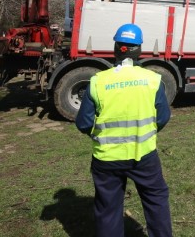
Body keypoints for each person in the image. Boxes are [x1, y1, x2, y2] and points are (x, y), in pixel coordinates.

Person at [76, 23, 173, 237]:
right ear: (139, 50)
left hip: (107, 159)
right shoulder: (153, 80)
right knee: (156, 200)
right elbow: (163, 118)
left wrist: (99, 135)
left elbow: (83, 123)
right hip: (144, 156)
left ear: (116, 48)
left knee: (108, 209)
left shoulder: (97, 82)